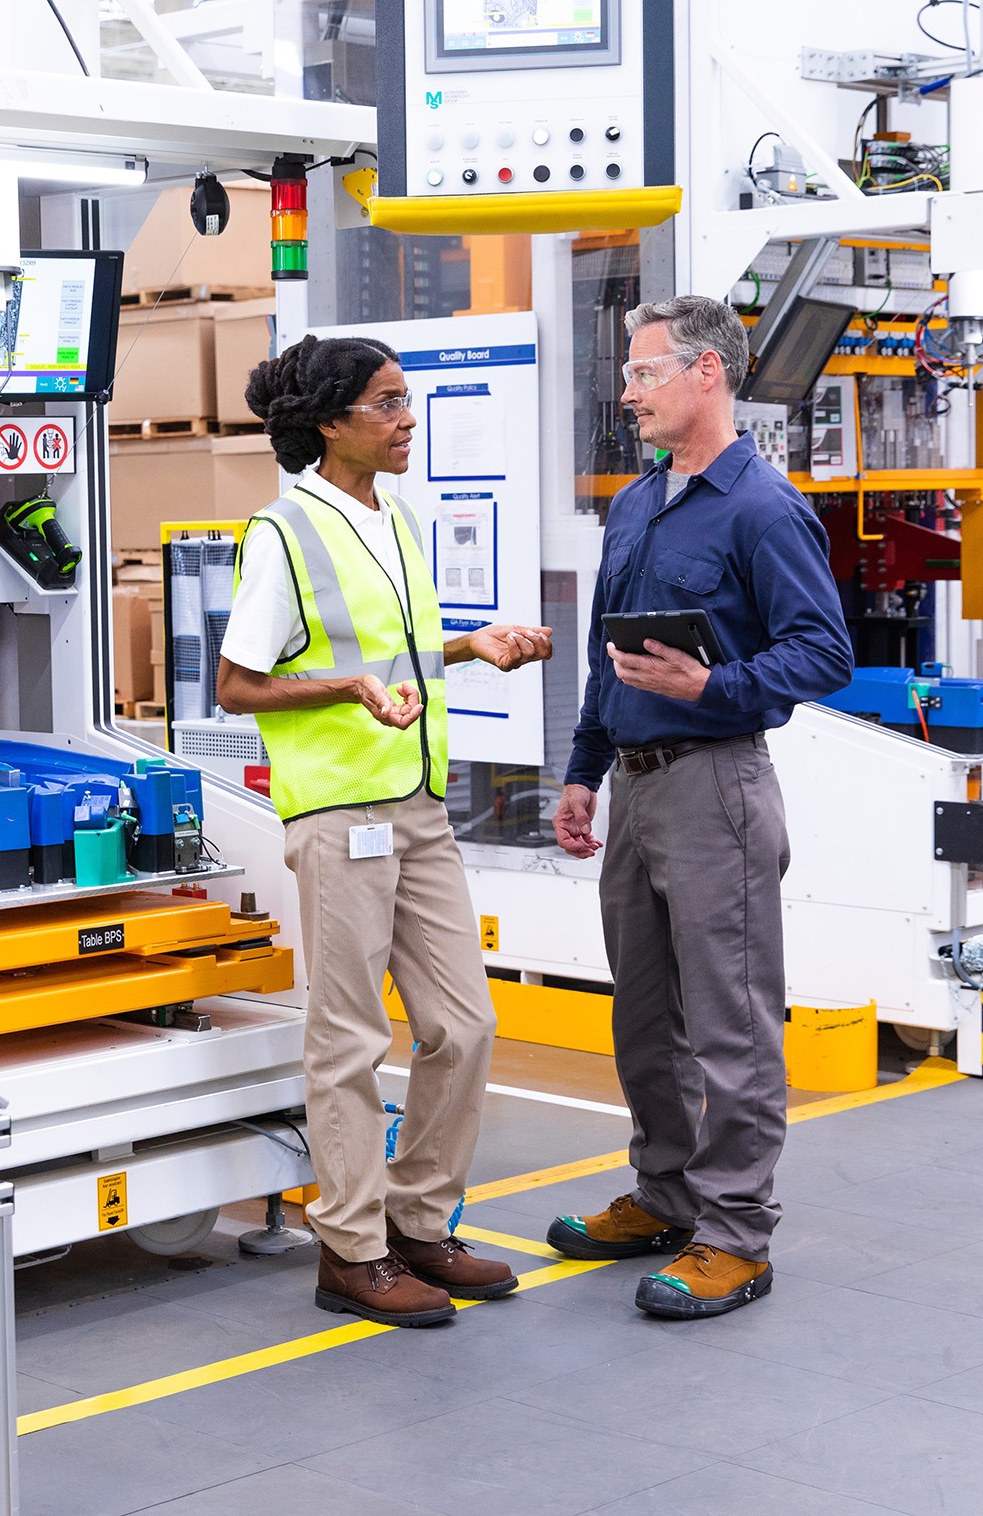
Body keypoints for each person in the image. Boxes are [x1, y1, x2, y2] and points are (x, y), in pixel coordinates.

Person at [217, 334, 554, 1327]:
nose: (408, 418)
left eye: (408, 401)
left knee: (465, 1024)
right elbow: (238, 681)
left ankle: (418, 1221)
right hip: (340, 812)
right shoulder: (284, 532)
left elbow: (390, 650)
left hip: (417, 804)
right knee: (351, 1038)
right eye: (389, 402)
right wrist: (349, 685)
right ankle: (352, 1248)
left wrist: (467, 642)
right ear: (331, 423)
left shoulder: (395, 517)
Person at [543, 295, 852, 1320]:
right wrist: (585, 767)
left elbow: (823, 652)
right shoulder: (635, 505)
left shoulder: (762, 505)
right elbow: (608, 653)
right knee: (643, 1019)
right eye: (629, 376)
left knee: (730, 1024)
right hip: (633, 786)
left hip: (718, 783)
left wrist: (709, 690)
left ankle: (735, 1234)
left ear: (706, 375)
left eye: (643, 374)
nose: (627, 392)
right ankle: (665, 1194)